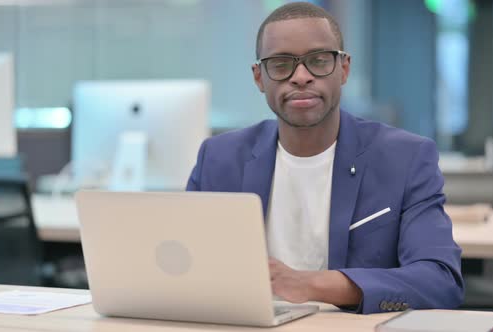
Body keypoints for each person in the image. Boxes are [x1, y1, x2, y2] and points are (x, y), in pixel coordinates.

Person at [186, 2, 463, 314]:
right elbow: (182, 267)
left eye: (318, 61)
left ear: (343, 69)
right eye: (280, 64)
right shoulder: (218, 158)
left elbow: (440, 281)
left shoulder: (406, 158)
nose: (301, 76)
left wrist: (309, 284)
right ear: (259, 77)